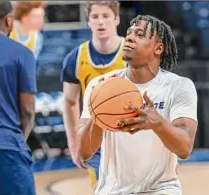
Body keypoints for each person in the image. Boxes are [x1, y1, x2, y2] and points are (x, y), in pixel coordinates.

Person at [77, 15, 198, 195]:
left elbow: (184, 148)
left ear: (158, 48)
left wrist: (158, 123)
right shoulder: (100, 86)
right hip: (112, 190)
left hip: (162, 189)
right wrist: (98, 115)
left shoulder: (179, 86)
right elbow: (83, 153)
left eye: (140, 34)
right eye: (129, 33)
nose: (130, 37)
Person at [61, 0, 126, 188]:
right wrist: (74, 145)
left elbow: (153, 101)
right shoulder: (75, 58)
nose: (100, 22)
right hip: (95, 138)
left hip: (130, 137)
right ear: (88, 21)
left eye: (106, 16)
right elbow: (69, 102)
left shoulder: (133, 55)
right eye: (95, 17)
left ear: (116, 19)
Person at [0, 1, 37, 195]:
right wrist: (20, 139)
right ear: (8, 20)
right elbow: (27, 110)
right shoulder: (22, 53)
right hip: (7, 147)